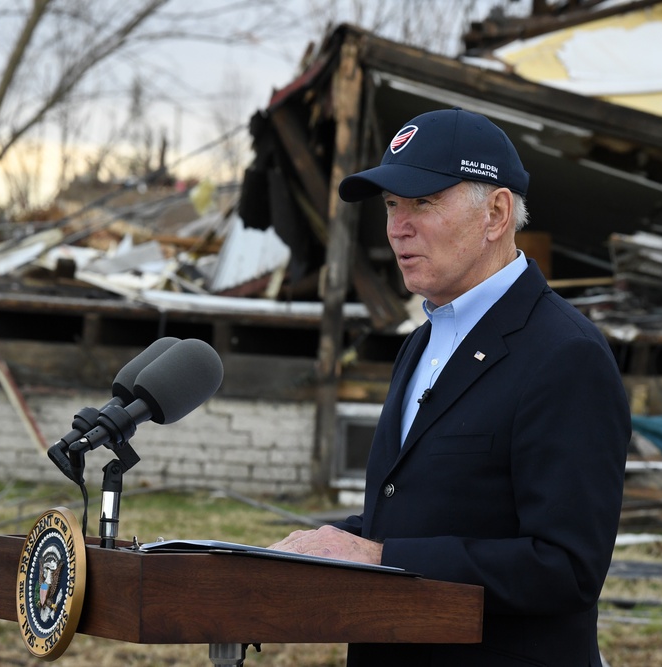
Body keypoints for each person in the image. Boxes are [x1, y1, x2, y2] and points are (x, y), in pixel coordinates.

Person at [269, 108, 631, 666]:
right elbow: (424, 515)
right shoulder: (422, 342)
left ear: (496, 212)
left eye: (423, 202)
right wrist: (324, 548)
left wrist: (378, 555)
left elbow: (565, 567)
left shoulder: (566, 355)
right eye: (391, 206)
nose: (397, 227)